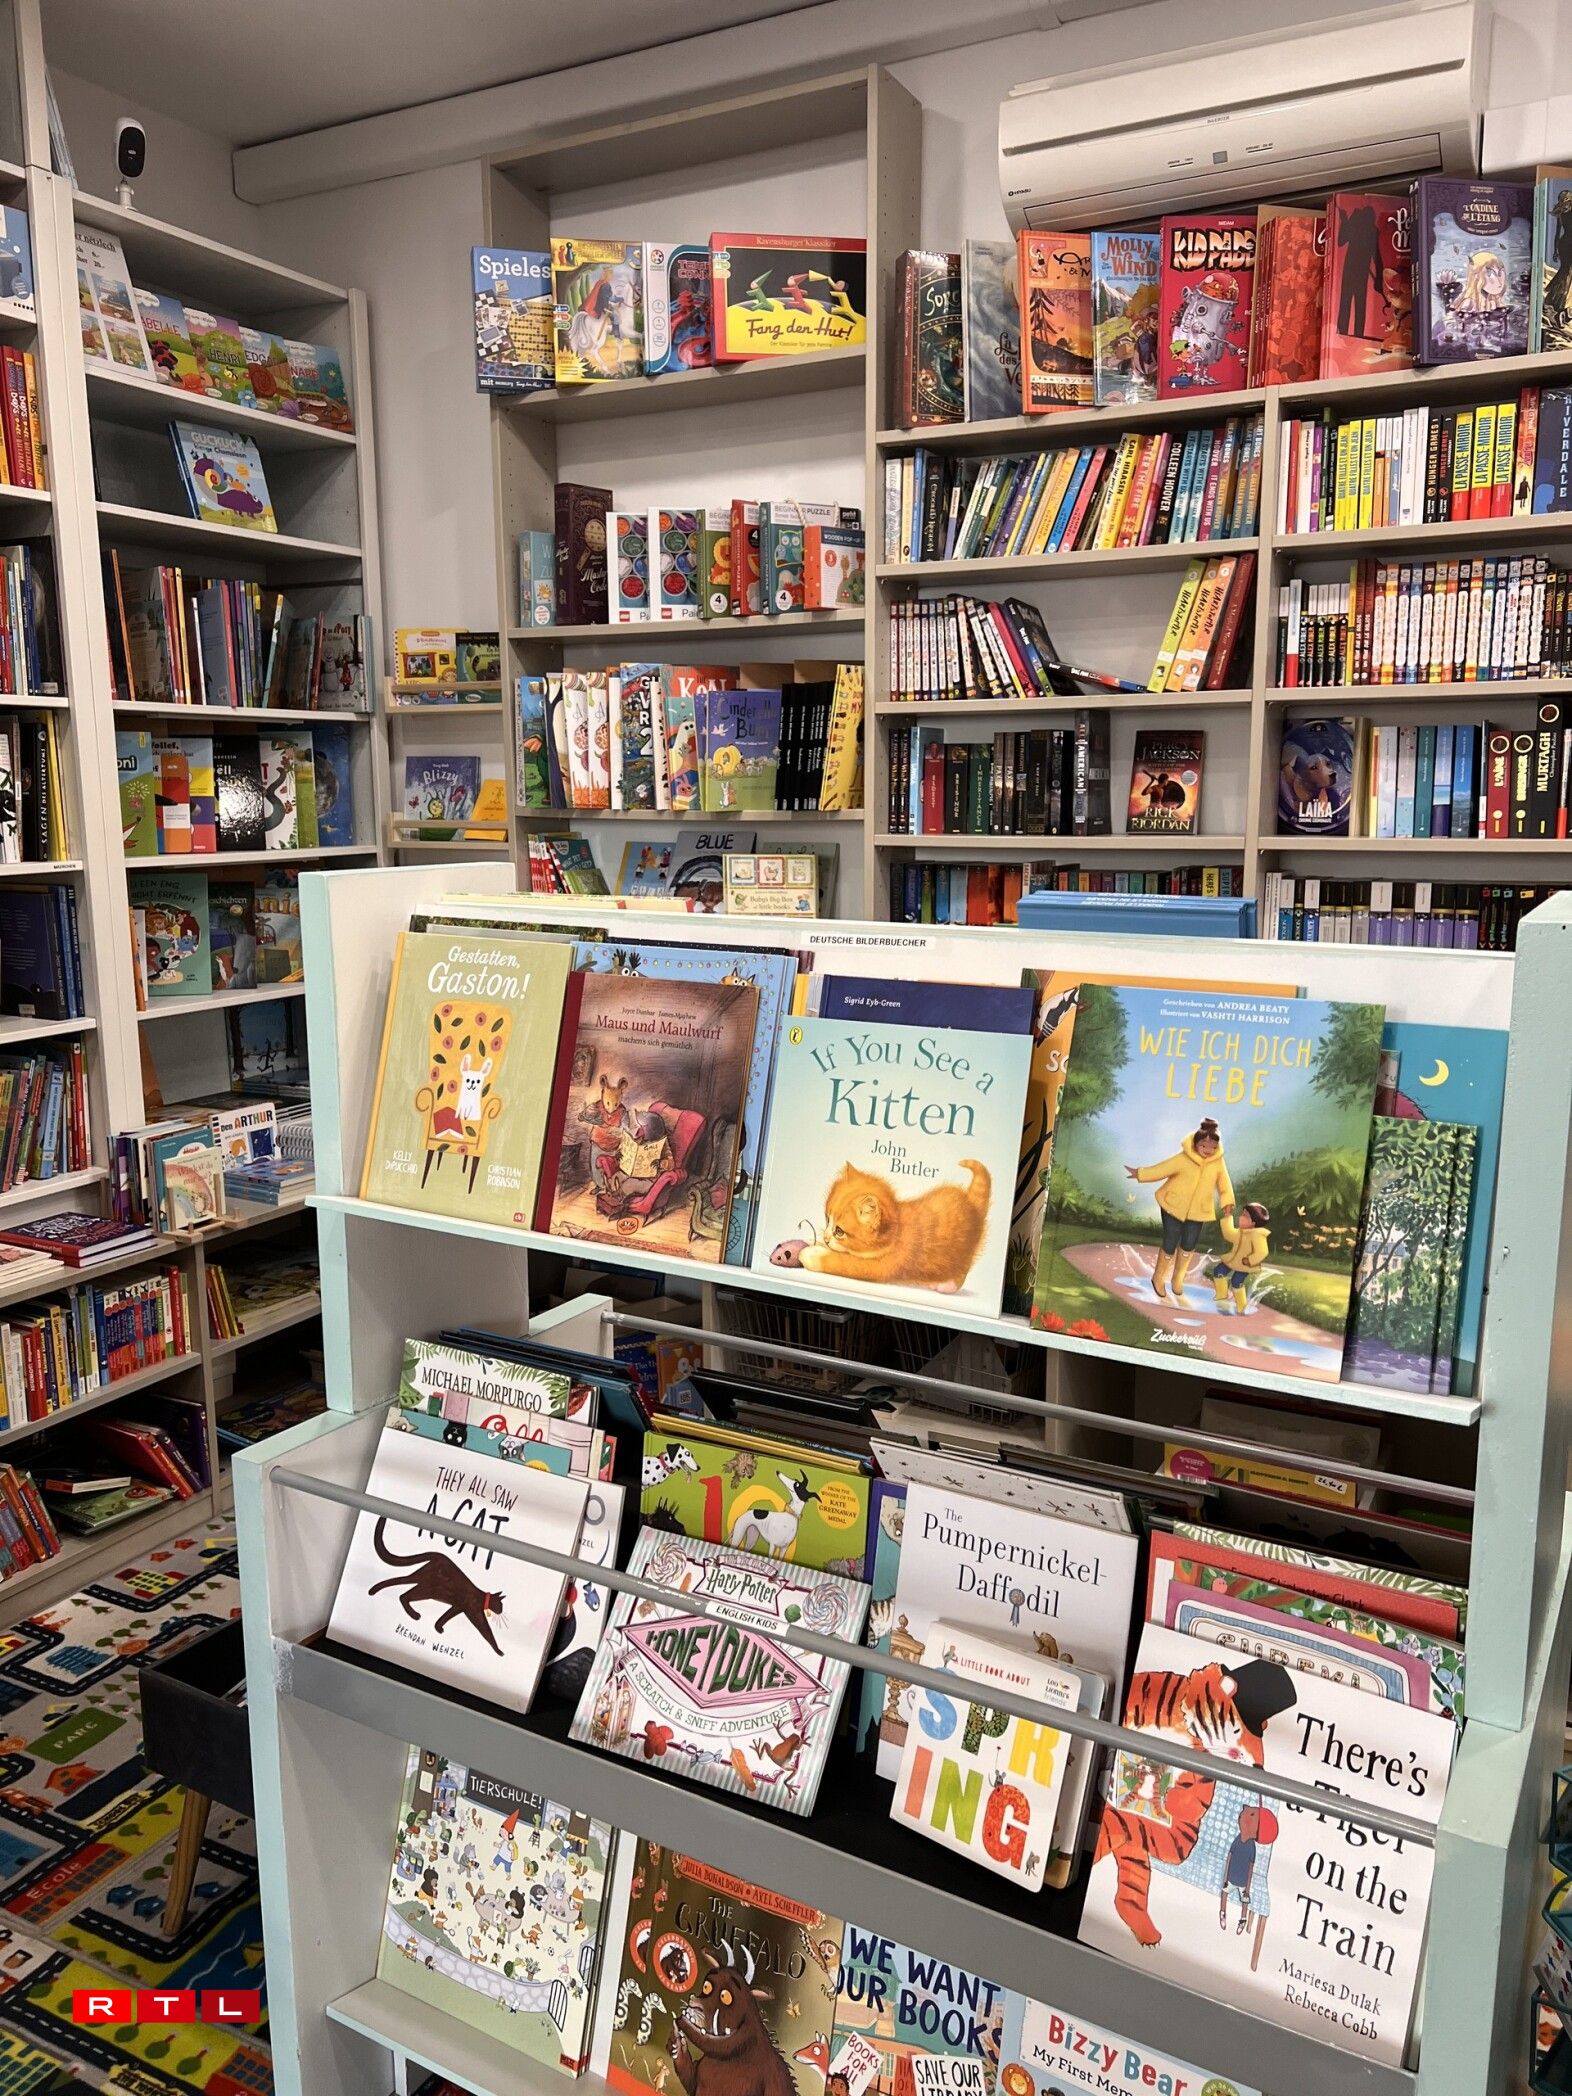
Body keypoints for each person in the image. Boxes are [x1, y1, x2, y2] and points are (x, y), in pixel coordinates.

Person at [1126, 1117, 1235, 1301]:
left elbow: (1224, 1182)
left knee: (1189, 1244)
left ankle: (1178, 1278)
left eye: (1212, 1147)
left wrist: (1227, 1201)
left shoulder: (1218, 1163)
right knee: (1170, 1240)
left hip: (1198, 1210)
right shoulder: (1184, 1158)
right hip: (1173, 1206)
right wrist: (1141, 1174)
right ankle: (1158, 1277)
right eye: (1203, 1146)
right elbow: (1163, 1169)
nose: (1208, 1150)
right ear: (1196, 1144)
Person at [1206, 1201, 1272, 1314]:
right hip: (1233, 1260)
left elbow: (1262, 1252)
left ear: (1253, 1223)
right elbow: (1229, 1234)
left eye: (1245, 1215)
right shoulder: (1241, 1233)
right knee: (1219, 1271)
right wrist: (1227, 1216)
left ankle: (1241, 1306)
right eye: (1242, 1214)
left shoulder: (1258, 1235)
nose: (1241, 1217)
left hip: (1245, 1265)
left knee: (1236, 1282)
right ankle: (1222, 1295)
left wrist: (1250, 1260)